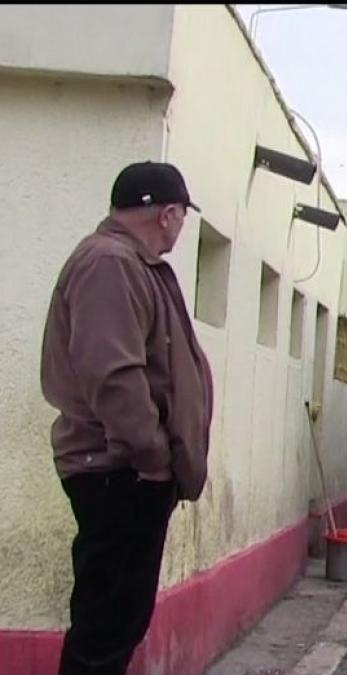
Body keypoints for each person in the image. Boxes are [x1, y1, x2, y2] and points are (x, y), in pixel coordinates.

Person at [41, 161, 213, 675]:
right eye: (182, 216)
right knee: (106, 627)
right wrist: (155, 457)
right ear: (167, 213)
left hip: (128, 472)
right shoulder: (110, 263)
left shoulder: (130, 263)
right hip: (119, 472)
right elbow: (114, 375)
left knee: (117, 621)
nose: (182, 227)